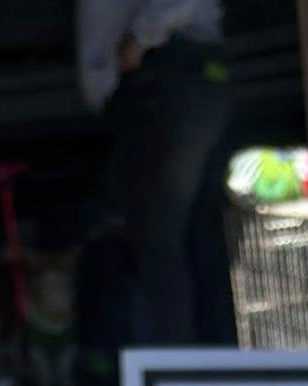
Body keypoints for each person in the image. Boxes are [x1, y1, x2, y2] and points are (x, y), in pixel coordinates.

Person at [77, 0, 237, 348]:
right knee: (192, 235)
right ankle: (211, 363)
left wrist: (140, 39)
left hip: (165, 69)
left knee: (159, 241)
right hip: (166, 75)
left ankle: (179, 374)